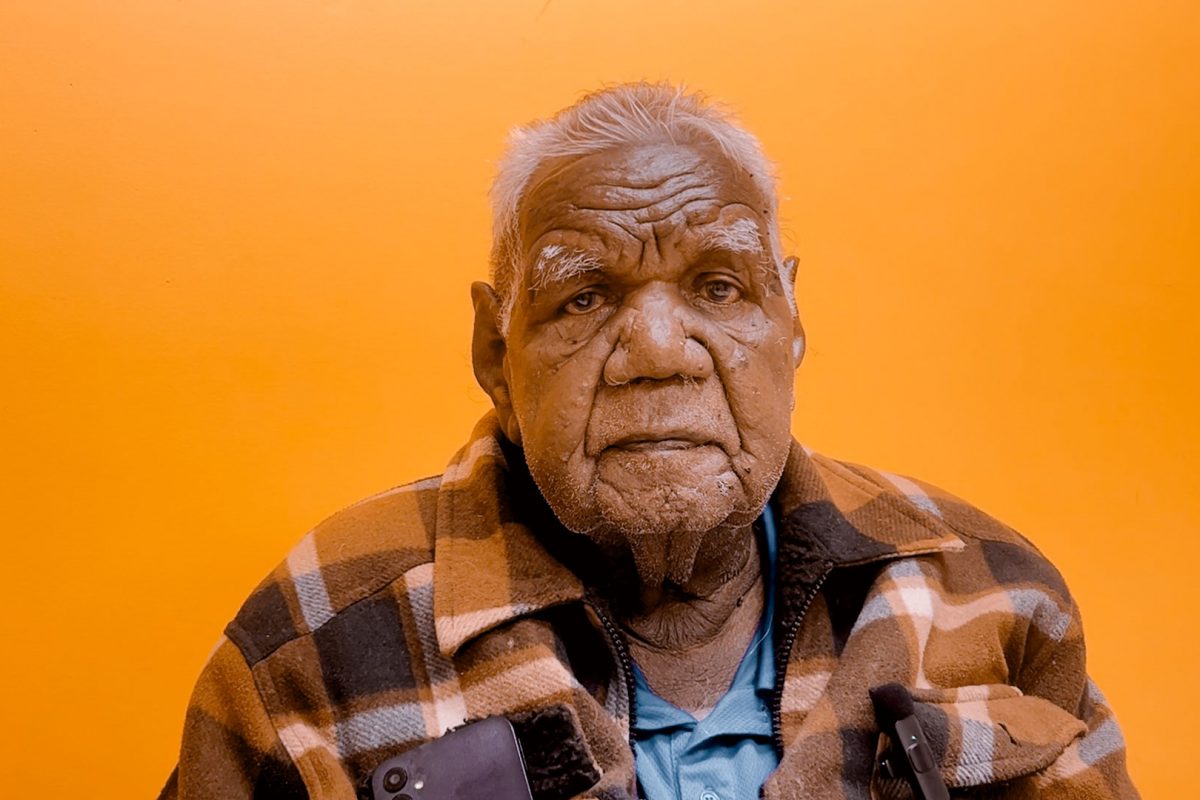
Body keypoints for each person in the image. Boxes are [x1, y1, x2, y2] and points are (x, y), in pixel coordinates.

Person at [160, 83, 1138, 799]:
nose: (658, 353)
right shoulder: (314, 633)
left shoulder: (999, 594)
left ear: (791, 320)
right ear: (495, 349)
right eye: (584, 295)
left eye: (719, 285)